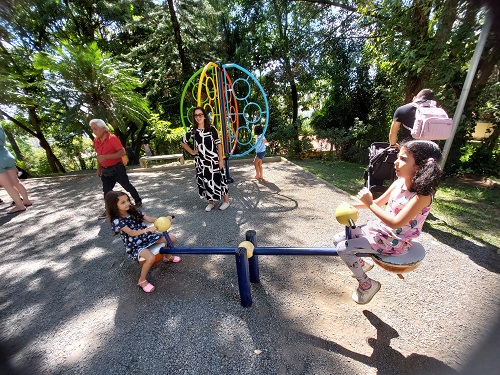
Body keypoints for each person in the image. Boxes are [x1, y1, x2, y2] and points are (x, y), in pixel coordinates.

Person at [333, 140, 442, 304]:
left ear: (420, 166)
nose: (396, 162)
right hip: (379, 230)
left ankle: (367, 285)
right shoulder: (399, 183)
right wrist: (352, 204)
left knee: (344, 248)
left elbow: (395, 223)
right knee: (337, 239)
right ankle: (361, 264)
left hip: (394, 241)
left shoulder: (422, 196)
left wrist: (369, 203)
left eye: (404, 159)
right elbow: (378, 203)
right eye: (398, 157)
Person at [105, 190, 181, 293]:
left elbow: (150, 219)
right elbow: (131, 233)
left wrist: (163, 219)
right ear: (114, 205)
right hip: (135, 244)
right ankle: (142, 280)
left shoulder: (135, 211)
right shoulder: (117, 221)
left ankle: (167, 257)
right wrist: (147, 230)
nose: (127, 203)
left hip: (147, 238)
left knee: (172, 238)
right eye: (122, 202)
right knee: (150, 257)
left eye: (127, 200)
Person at [180, 107, 230, 211]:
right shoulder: (193, 130)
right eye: (196, 115)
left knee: (220, 180)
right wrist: (192, 151)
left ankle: (226, 201)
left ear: (204, 116)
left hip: (214, 161)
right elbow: (183, 142)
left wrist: (221, 160)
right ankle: (210, 202)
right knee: (206, 181)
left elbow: (219, 144)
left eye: (200, 115)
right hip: (201, 163)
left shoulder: (211, 129)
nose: (198, 117)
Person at [90, 119, 142, 209]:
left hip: (117, 168)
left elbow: (122, 153)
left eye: (95, 129)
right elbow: (99, 156)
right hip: (105, 170)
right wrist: (99, 168)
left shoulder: (112, 138)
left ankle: (138, 201)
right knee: (107, 192)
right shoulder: (96, 141)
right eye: (92, 129)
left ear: (103, 128)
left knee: (127, 186)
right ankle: (108, 209)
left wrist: (106, 157)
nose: (94, 132)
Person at [0, 126, 33, 214]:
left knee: (7, 185)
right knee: (16, 181)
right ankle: (26, 201)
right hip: (7, 155)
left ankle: (19, 205)